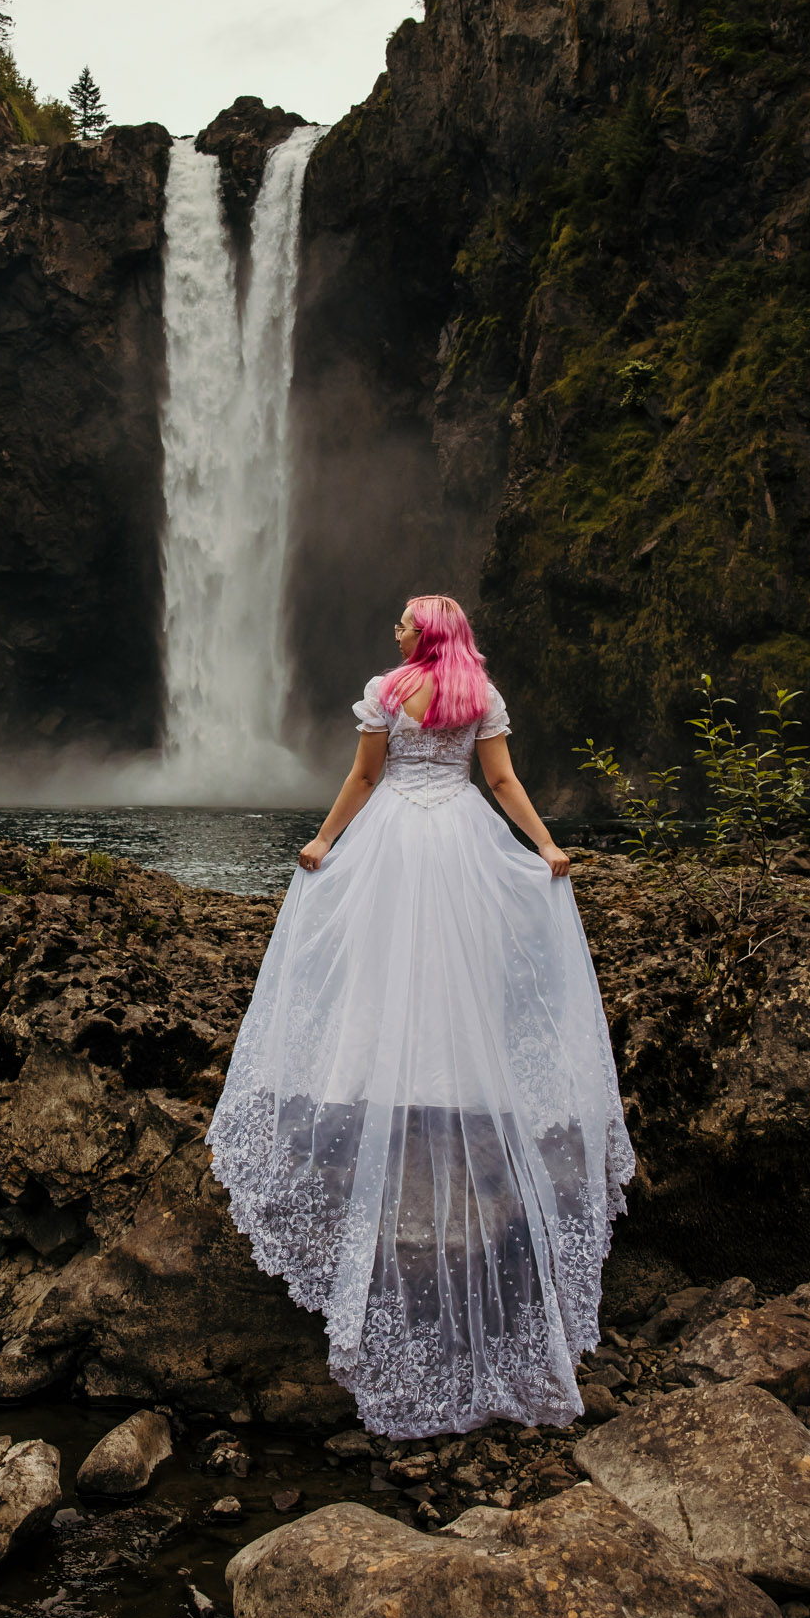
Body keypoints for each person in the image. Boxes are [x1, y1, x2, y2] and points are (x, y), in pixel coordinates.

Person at [206, 594, 634, 1437]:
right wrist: (543, 844)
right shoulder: (481, 693)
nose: (395, 627)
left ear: (425, 635)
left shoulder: (388, 689)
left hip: (396, 833)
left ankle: (379, 1072)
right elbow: (502, 781)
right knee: (459, 959)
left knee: (381, 955)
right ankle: (452, 1073)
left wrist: (325, 843)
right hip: (462, 836)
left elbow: (366, 778)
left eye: (406, 620)